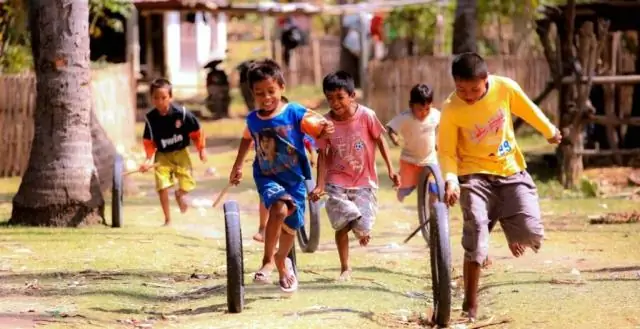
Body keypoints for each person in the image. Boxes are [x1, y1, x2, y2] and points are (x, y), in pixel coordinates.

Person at [437, 52, 562, 321]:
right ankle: (470, 305)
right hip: (473, 175)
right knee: (477, 240)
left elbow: (529, 110)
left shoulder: (505, 88)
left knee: (531, 235)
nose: (468, 95)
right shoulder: (451, 109)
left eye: (474, 89)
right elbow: (446, 151)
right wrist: (450, 180)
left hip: (509, 169)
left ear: (486, 80)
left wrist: (550, 130)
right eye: (461, 89)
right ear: (455, 83)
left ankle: (509, 223)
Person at [229, 59, 333, 293]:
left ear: (282, 87)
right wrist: (237, 166)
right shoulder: (253, 120)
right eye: (259, 93)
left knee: (291, 228)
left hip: (295, 178)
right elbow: (247, 139)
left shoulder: (294, 112)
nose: (266, 98)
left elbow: (318, 128)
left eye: (271, 91)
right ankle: (267, 260)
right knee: (279, 208)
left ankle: (281, 260)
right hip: (267, 176)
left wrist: (325, 129)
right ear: (252, 94)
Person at [310, 71, 399, 281]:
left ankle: (362, 229)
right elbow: (322, 154)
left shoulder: (367, 115)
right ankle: (345, 267)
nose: (335, 103)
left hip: (364, 180)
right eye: (330, 98)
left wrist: (391, 168)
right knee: (343, 222)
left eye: (340, 97)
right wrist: (320, 184)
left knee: (362, 224)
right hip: (336, 180)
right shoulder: (325, 123)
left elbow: (380, 140)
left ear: (352, 96)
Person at [139, 78, 207, 226]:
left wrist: (201, 149)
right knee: (161, 186)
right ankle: (167, 219)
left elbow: (197, 130)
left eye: (163, 98)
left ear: (170, 97)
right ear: (152, 99)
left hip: (181, 153)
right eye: (156, 98)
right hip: (162, 156)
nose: (160, 102)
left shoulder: (181, 114)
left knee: (187, 183)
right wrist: (147, 161)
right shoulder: (151, 119)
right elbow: (149, 143)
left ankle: (180, 194)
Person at [253, 134, 317, 243]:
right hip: (270, 168)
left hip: (292, 170)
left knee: (294, 197)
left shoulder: (293, 125)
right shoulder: (266, 127)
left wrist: (313, 154)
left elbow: (307, 141)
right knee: (266, 194)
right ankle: (262, 228)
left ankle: (293, 221)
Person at [386, 83, 440, 205]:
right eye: (420, 109)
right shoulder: (405, 117)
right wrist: (394, 138)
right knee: (406, 189)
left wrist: (438, 140)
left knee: (434, 189)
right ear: (411, 106)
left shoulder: (435, 115)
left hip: (430, 159)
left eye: (427, 109)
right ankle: (398, 204)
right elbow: (390, 128)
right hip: (409, 161)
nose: (424, 113)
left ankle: (433, 215)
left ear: (432, 105)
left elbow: (444, 125)